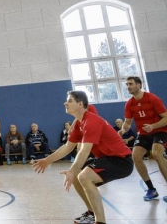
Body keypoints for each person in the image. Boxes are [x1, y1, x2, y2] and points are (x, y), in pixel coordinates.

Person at [33, 91, 133, 224]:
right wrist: (47, 160)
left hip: (121, 161)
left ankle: (100, 221)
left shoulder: (91, 120)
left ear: (80, 104)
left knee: (83, 176)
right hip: (107, 158)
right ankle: (91, 213)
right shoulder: (79, 124)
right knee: (76, 175)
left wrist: (72, 170)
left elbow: (85, 151)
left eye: (69, 101)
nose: (65, 103)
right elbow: (68, 147)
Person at [120, 76, 167, 202]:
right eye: (127, 84)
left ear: (139, 85)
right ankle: (151, 189)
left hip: (160, 131)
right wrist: (123, 129)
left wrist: (153, 126)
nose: (128, 86)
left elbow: (166, 118)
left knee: (157, 154)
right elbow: (127, 122)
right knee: (135, 156)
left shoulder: (152, 99)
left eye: (130, 84)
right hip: (143, 134)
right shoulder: (129, 104)